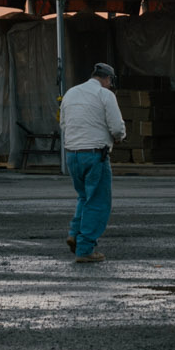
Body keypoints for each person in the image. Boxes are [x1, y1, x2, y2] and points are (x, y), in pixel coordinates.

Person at [60, 61, 125, 263]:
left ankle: (75, 233)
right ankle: (85, 248)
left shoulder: (70, 93)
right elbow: (116, 127)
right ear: (108, 79)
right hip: (95, 154)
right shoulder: (105, 95)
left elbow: (63, 123)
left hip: (72, 154)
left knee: (84, 197)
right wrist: (120, 137)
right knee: (97, 202)